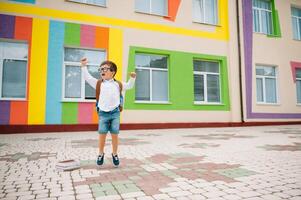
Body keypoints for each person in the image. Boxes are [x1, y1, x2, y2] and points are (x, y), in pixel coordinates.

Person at [80, 58, 136, 167]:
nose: (102, 71)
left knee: (115, 133)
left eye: (105, 69)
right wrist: (83, 66)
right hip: (103, 113)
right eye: (101, 69)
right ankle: (100, 153)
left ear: (113, 72)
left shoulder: (118, 84)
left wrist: (132, 78)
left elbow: (129, 86)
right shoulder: (98, 83)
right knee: (102, 134)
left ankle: (115, 154)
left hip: (115, 113)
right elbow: (87, 77)